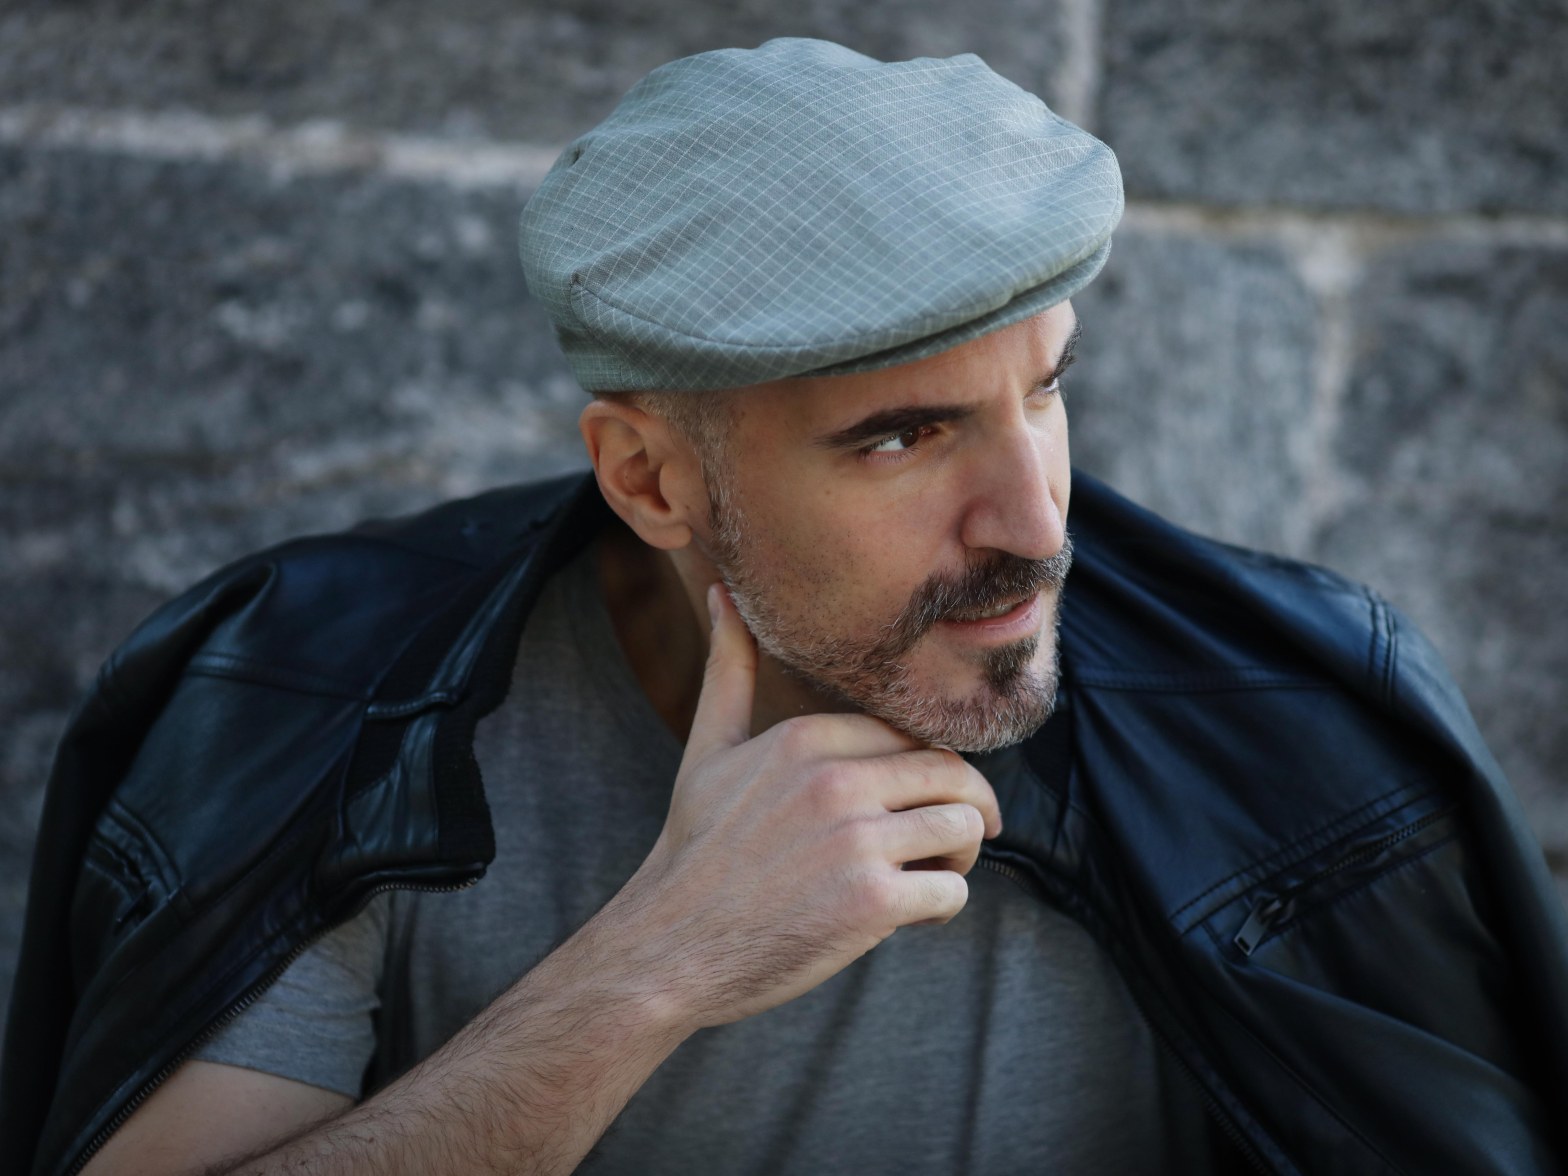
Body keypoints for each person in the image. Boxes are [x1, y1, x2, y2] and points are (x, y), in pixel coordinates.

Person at [4, 37, 1566, 1176]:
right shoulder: (322, 700)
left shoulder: (1298, 722)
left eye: (1044, 390)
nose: (1037, 527)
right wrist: (658, 966)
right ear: (649, 478)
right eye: (903, 438)